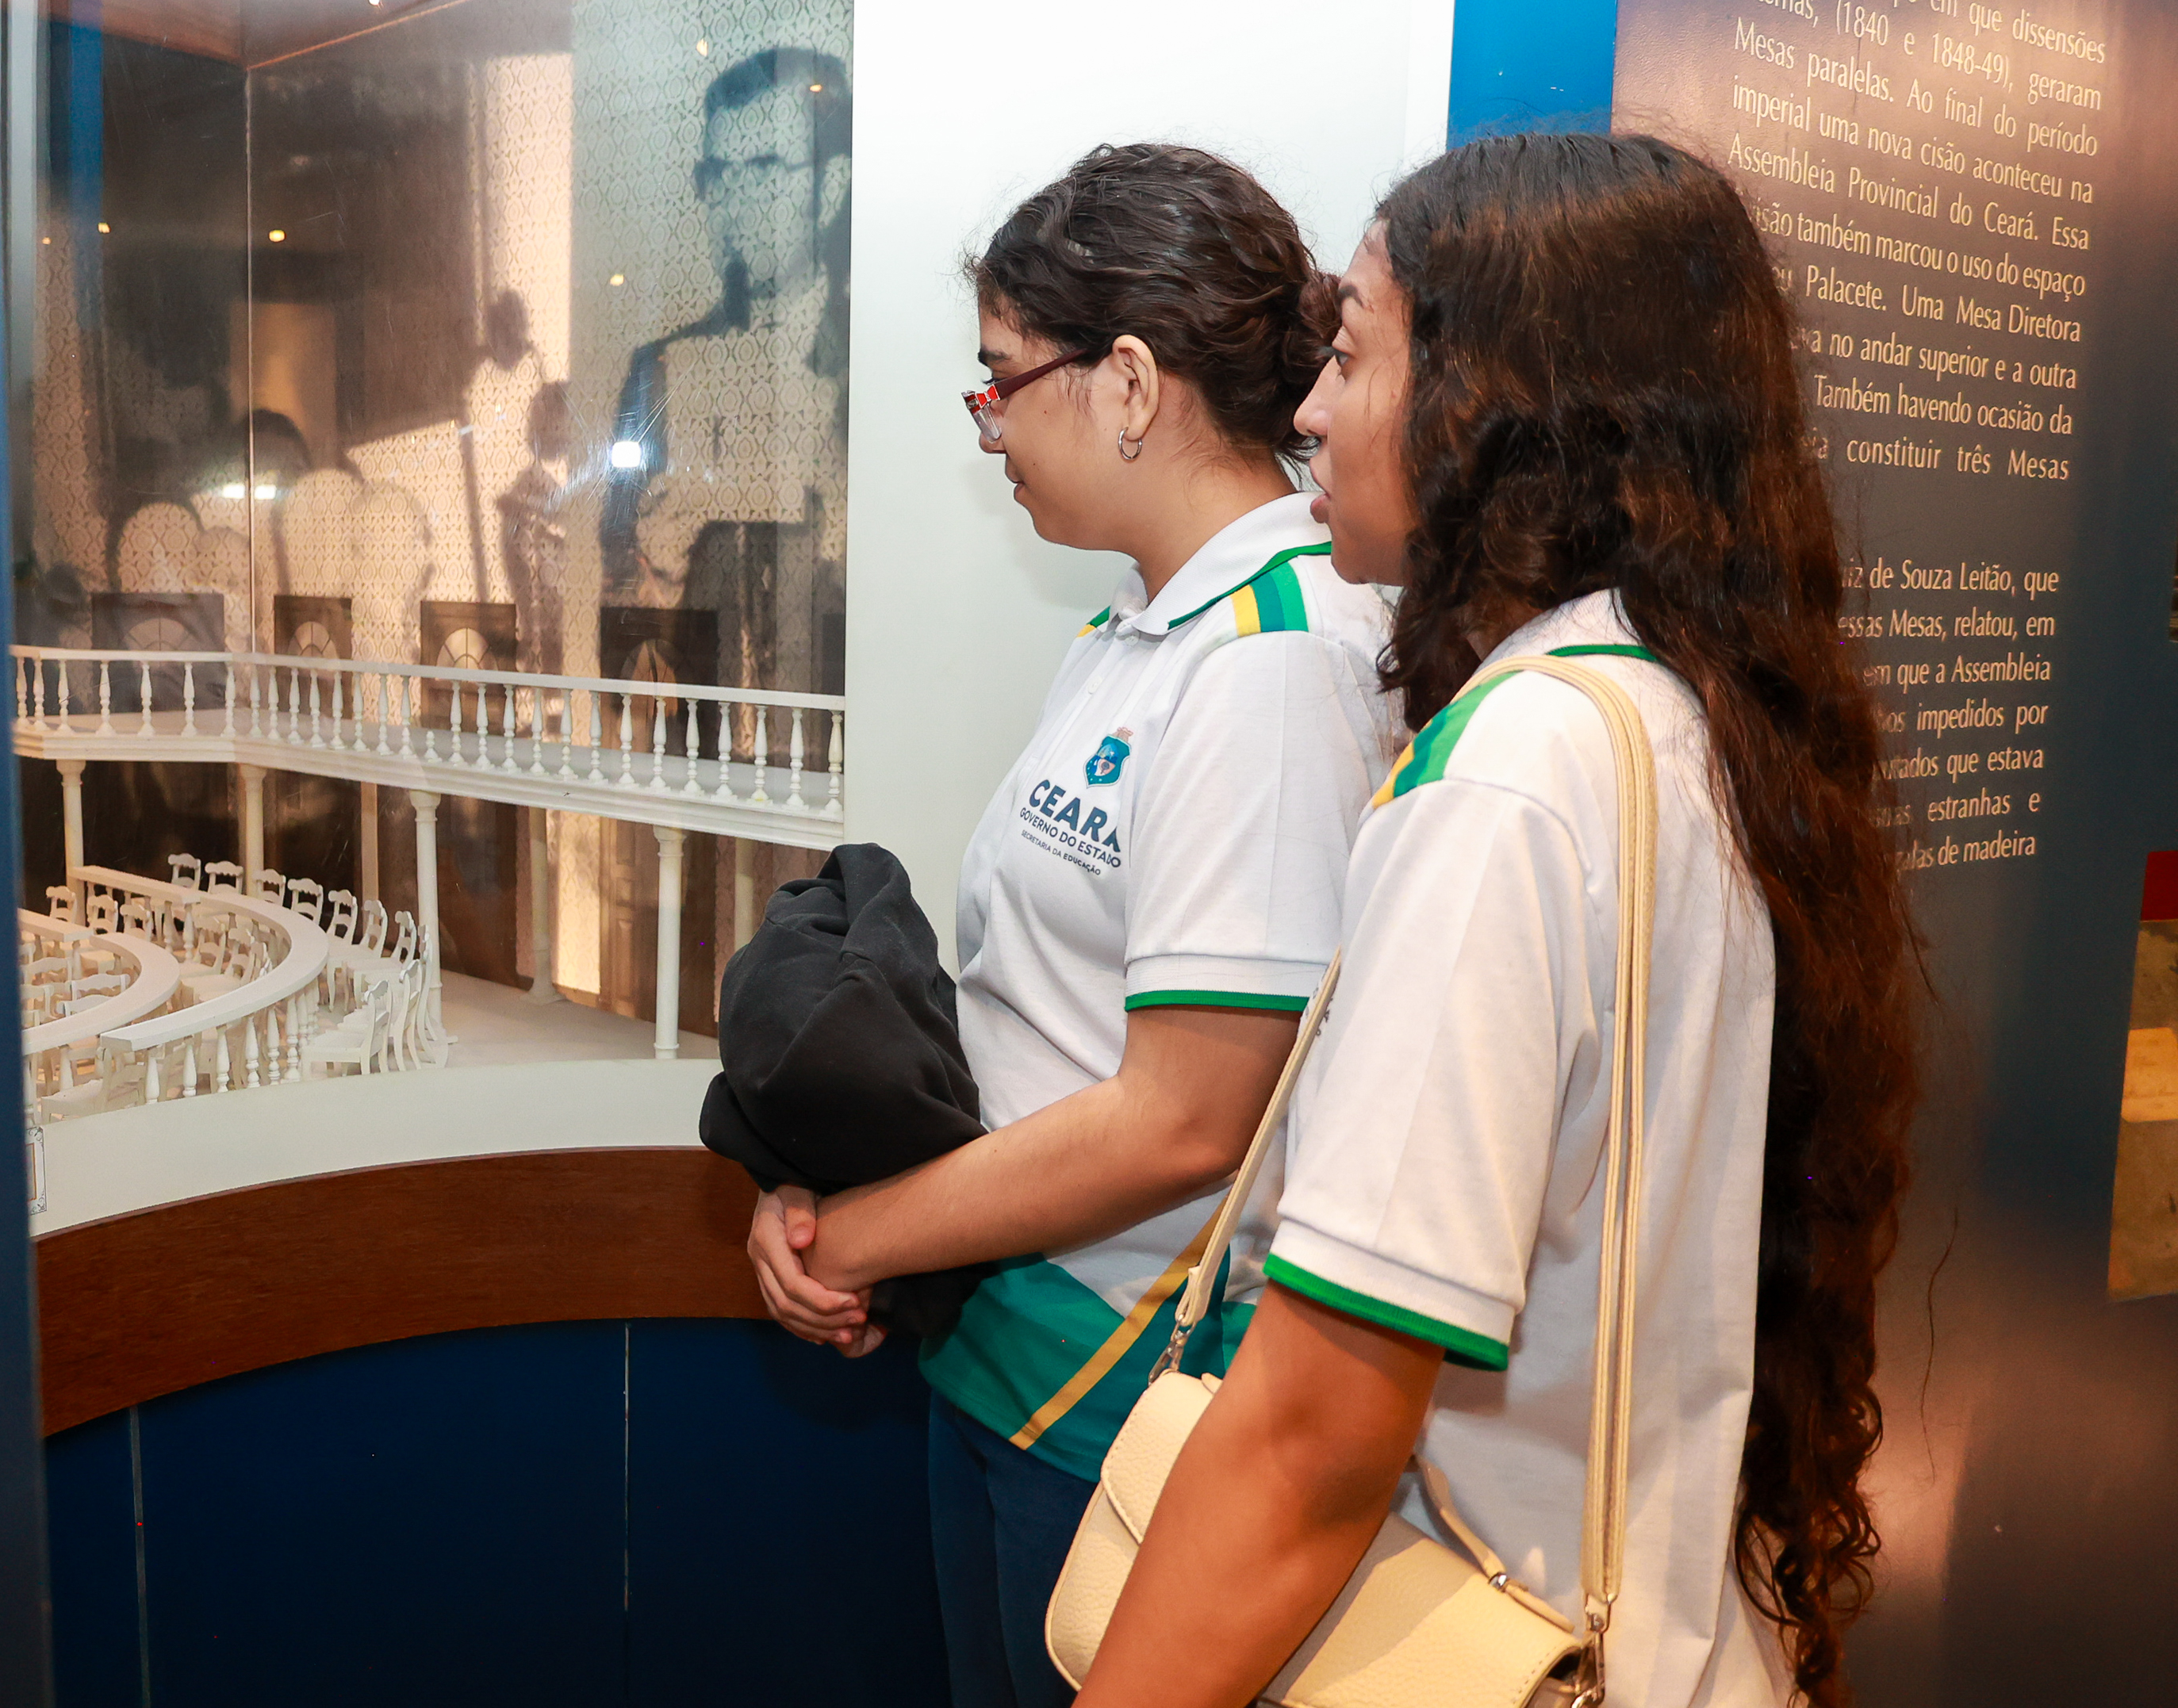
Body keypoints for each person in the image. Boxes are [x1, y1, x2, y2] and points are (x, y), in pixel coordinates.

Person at [1072, 135, 1919, 1708]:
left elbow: (1315, 1433)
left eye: (1350, 354)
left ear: (1499, 403)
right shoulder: (1681, 717)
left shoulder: (1507, 775)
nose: (1309, 410)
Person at [744, 144, 1398, 1708]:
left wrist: (854, 1239)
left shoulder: (1274, 657)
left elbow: (1189, 1117)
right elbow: (1042, 1009)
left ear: (1128, 383)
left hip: (1124, 1390)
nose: (989, 430)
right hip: (1005, 1335)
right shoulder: (1137, 627)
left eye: (1001, 382)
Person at [599, 45, 852, 695]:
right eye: (719, 177)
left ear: (830, 189)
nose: (736, 205)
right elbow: (618, 590)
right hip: (700, 728)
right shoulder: (658, 370)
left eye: (764, 171)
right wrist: (656, 568)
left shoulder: (867, 371)